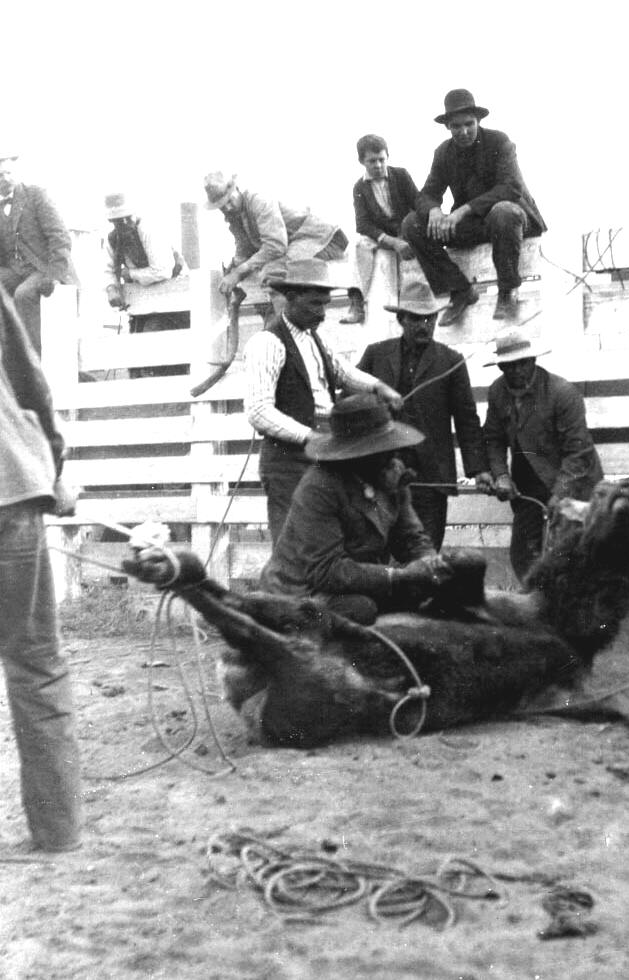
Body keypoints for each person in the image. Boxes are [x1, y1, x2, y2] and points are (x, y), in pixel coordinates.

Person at [0, 283, 82, 852]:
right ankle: (59, 832)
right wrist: (51, 465)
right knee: (36, 662)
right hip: (12, 485)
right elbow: (30, 380)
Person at [242, 259, 402, 544]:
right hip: (287, 460)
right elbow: (258, 411)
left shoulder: (315, 338)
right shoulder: (266, 344)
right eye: (315, 304)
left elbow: (342, 371)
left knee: (328, 537)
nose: (322, 313)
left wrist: (378, 386)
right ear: (291, 298)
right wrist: (309, 436)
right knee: (293, 542)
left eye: (325, 304)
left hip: (324, 451)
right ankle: (289, 590)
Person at [260, 393, 450, 624]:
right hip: (301, 591)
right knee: (360, 609)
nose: (392, 454)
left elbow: (411, 540)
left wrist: (430, 565)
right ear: (358, 452)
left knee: (434, 596)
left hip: (354, 584)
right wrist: (398, 576)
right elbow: (325, 570)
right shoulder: (320, 485)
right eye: (382, 448)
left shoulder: (389, 474)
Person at [357, 279, 492, 548]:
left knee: (426, 551)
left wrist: (479, 469)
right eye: (416, 319)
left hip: (430, 475)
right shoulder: (376, 355)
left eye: (430, 319)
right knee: (377, 547)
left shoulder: (451, 361)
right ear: (401, 319)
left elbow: (466, 419)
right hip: (382, 472)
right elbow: (353, 400)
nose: (425, 325)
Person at [402, 89, 547, 325]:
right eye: (456, 126)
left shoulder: (499, 141)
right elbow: (426, 195)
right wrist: (435, 211)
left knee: (503, 211)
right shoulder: (443, 153)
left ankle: (508, 290)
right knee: (412, 224)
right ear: (447, 126)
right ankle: (459, 290)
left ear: (478, 121)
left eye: (469, 124)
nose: (464, 131)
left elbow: (510, 188)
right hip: (476, 226)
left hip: (514, 221)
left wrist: (462, 211)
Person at [482, 328, 604, 582]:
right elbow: (493, 438)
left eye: (522, 363)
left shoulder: (562, 393)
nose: (516, 371)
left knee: (572, 559)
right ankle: (535, 612)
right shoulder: (497, 392)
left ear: (533, 360)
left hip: (574, 483)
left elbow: (578, 452)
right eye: (508, 366)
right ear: (500, 367)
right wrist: (501, 475)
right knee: (523, 556)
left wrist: (560, 494)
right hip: (528, 486)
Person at [203, 172, 351, 300]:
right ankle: (278, 323)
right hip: (297, 245)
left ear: (236, 188)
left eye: (229, 200)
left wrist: (240, 271)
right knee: (260, 274)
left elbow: (276, 247)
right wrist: (235, 267)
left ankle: (285, 329)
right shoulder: (234, 215)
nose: (227, 207)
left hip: (324, 240)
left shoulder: (258, 200)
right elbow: (244, 247)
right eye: (222, 206)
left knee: (273, 272)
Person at [103, 191, 188, 377]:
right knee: (136, 349)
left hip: (173, 298)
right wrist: (111, 287)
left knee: (160, 342)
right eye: (117, 221)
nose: (123, 224)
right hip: (142, 301)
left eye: (126, 219)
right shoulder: (113, 240)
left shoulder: (149, 231)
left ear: (133, 216)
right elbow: (108, 269)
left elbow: (163, 270)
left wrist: (130, 273)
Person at [0, 153, 76, 354]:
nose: (5, 178)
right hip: (15, 269)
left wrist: (54, 275)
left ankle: (33, 358)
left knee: (23, 295)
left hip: (44, 266)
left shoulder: (36, 195)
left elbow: (59, 236)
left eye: (8, 173)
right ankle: (8, 357)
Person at [344, 134, 420, 325]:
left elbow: (418, 204)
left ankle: (409, 305)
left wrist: (406, 235)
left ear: (387, 157)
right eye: (372, 161)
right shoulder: (359, 187)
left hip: (406, 234)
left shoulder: (401, 175)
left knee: (409, 261)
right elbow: (362, 224)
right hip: (384, 237)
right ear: (362, 161)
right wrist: (391, 241)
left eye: (381, 160)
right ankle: (357, 302)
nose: (378, 165)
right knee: (357, 244)